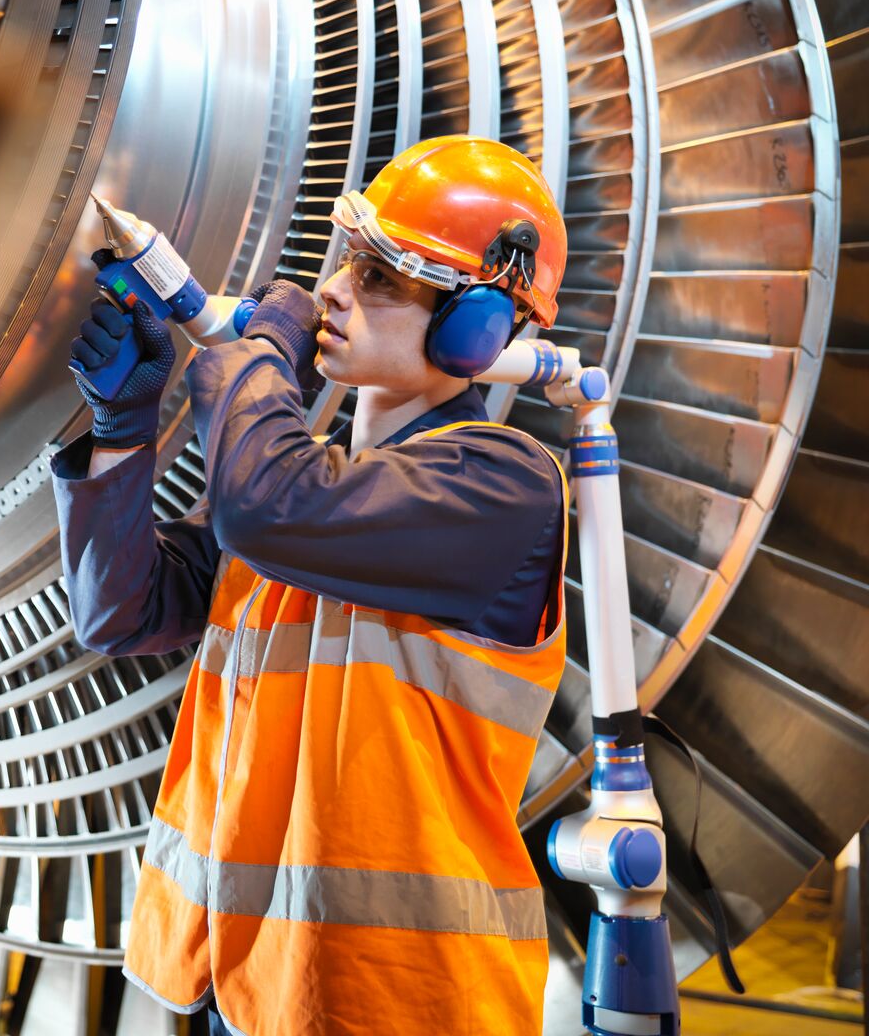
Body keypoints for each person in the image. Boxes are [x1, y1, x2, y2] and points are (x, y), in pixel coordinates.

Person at [51, 136, 570, 1035]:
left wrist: (261, 349)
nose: (331, 288)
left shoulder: (502, 486)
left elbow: (268, 507)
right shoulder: (316, 498)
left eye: (377, 278)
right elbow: (117, 610)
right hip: (251, 984)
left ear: (476, 329)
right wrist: (122, 427)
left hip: (401, 998)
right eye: (346, 261)